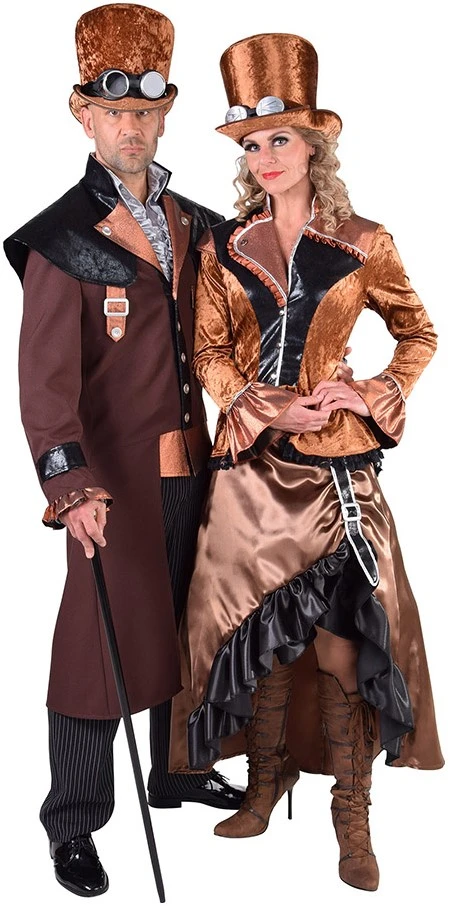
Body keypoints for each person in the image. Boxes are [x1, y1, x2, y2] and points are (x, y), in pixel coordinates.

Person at [169, 32, 444, 892]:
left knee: (338, 645)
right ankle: (263, 784)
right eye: (252, 144)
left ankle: (352, 822)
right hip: (252, 472)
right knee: (255, 634)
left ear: (314, 143)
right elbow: (208, 352)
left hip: (337, 474)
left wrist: (371, 392)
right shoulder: (223, 246)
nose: (265, 156)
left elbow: (419, 332)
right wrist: (261, 403)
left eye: (279, 138)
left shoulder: (364, 241)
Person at [3, 3, 245, 898]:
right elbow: (44, 385)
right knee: (95, 646)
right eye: (114, 113)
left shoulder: (195, 223)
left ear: (165, 115)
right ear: (84, 115)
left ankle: (179, 769)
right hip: (113, 485)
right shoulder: (62, 238)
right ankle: (72, 822)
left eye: (145, 112)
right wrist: (71, 487)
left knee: (197, 622)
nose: (131, 128)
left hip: (199, 467)